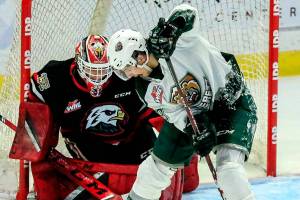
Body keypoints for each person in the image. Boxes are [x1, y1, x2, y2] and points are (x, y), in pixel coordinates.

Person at [10, 34, 197, 199]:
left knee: (164, 174)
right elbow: (35, 104)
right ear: (78, 64)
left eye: (104, 70)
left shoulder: (127, 73)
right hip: (87, 142)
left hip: (133, 137)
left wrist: (180, 142)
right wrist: (37, 146)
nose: (98, 77)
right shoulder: (56, 78)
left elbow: (159, 115)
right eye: (92, 70)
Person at [107, 4, 257, 200]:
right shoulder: (144, 87)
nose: (128, 73)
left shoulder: (178, 42)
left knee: (228, 171)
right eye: (123, 71)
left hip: (231, 103)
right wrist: (196, 129)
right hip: (195, 116)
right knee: (152, 171)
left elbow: (187, 11)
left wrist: (171, 29)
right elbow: (176, 114)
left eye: (128, 67)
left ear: (140, 55)